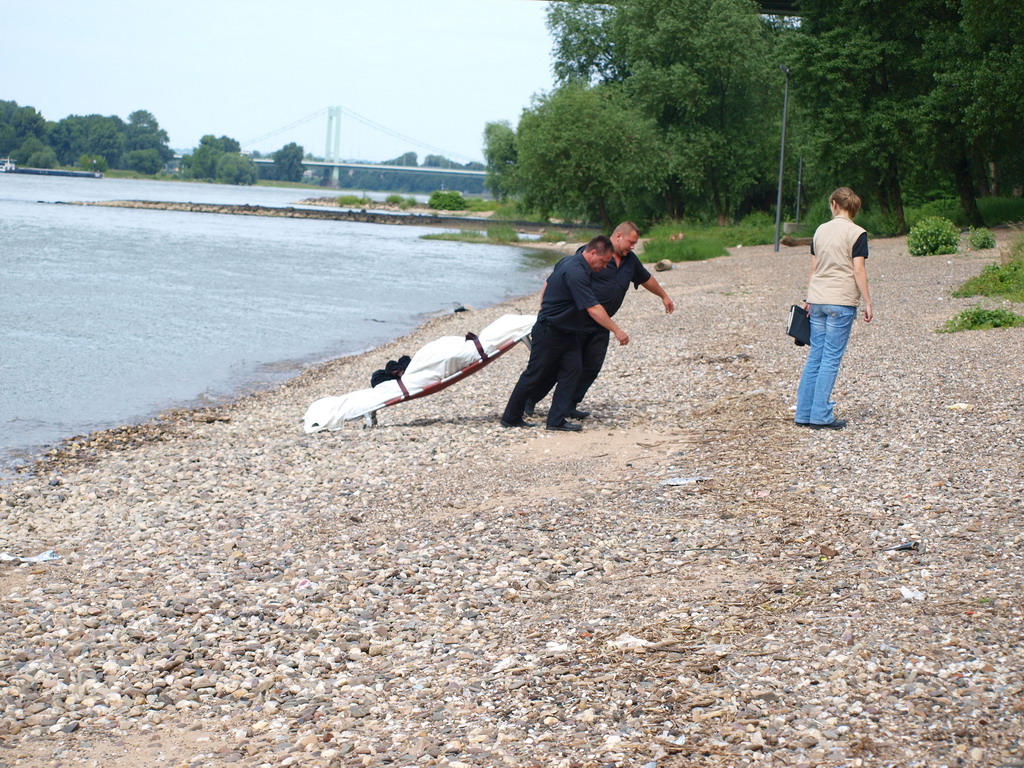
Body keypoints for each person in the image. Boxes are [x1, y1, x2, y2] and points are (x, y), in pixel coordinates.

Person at [525, 221, 674, 419]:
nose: (632, 247)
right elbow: (559, 275)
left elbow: (646, 278)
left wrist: (664, 296)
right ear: (618, 235)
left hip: (602, 322)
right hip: (576, 321)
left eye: (634, 244)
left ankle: (568, 405)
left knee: (590, 367)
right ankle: (528, 400)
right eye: (630, 242)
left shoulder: (630, 260)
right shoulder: (592, 253)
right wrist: (545, 304)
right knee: (560, 365)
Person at [501, 235, 629, 432]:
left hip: (568, 331)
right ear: (593, 252)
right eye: (604, 262)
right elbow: (593, 308)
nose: (604, 267)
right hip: (549, 331)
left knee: (573, 370)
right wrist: (617, 330)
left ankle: (556, 420)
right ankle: (510, 417)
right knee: (535, 374)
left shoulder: (573, 262)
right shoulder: (575, 271)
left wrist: (544, 303)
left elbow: (548, 283)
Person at [795, 187, 873, 430]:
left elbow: (814, 268)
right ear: (853, 209)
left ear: (834, 204)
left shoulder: (820, 231)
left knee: (815, 356)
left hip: (817, 299)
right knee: (830, 358)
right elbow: (858, 269)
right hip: (841, 300)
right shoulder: (857, 233)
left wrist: (809, 296)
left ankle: (803, 413)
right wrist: (868, 302)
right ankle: (821, 415)